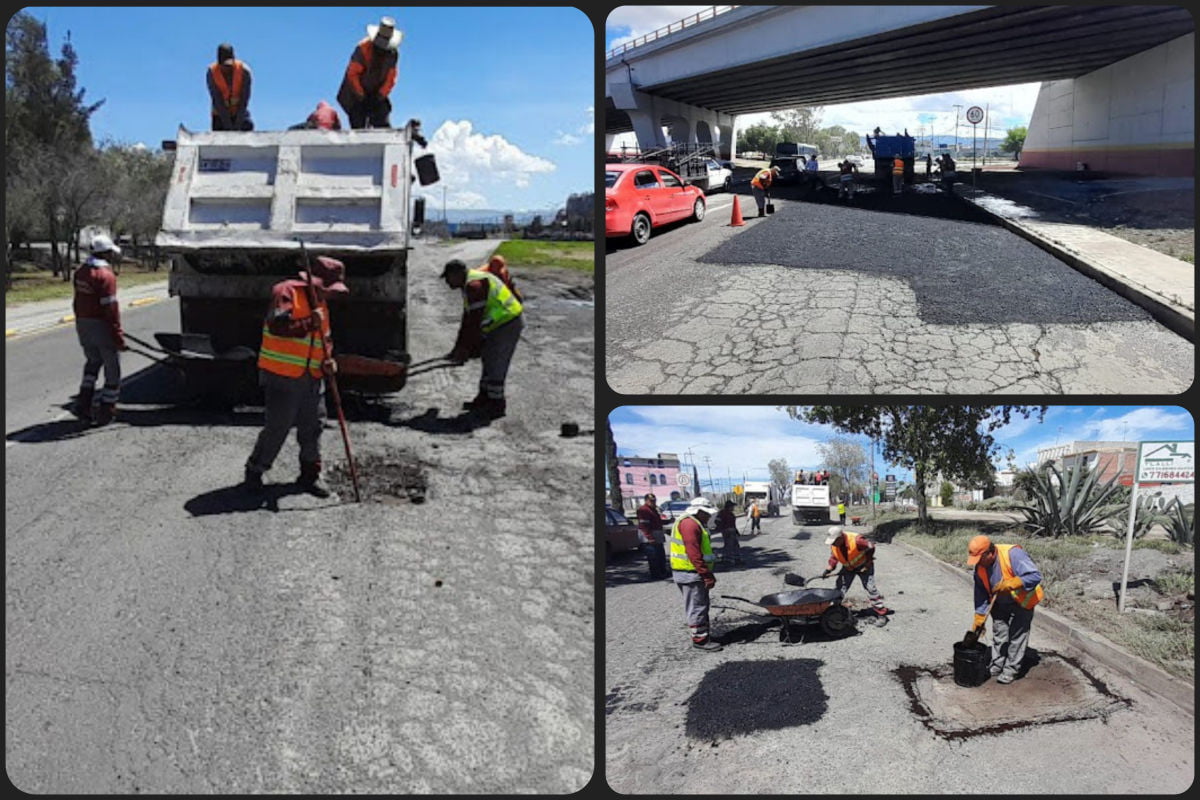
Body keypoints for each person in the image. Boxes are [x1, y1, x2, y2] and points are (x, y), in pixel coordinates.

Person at [243, 256, 349, 497]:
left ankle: (310, 476)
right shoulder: (286, 291)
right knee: (277, 427)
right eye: (327, 289)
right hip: (282, 376)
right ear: (313, 281)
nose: (330, 295)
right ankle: (255, 470)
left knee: (313, 427)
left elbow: (324, 338)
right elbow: (277, 326)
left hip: (313, 376)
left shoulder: (321, 304)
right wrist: (308, 324)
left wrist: (328, 361)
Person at [442, 259, 524, 419]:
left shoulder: (474, 286)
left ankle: (497, 405)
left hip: (508, 323)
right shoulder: (469, 284)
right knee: (488, 359)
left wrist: (465, 349)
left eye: (448, 278)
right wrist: (458, 348)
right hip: (498, 325)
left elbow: (473, 324)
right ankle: (484, 398)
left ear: (457, 274)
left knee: (496, 363)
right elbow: (467, 320)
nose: (446, 282)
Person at [967, 535, 1044, 684]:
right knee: (999, 633)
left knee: (1017, 636)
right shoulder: (980, 568)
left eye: (979, 559)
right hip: (1000, 603)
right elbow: (981, 594)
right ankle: (997, 664)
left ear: (989, 553)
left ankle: (1011, 669)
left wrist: (1012, 583)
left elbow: (1035, 576)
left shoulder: (1012, 554)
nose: (978, 564)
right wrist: (979, 618)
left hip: (1022, 601)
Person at [71, 235, 127, 426]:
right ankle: (106, 410)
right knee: (113, 370)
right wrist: (118, 336)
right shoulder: (106, 276)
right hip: (101, 325)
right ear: (105, 253)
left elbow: (77, 301)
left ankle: (83, 402)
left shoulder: (80, 272)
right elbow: (110, 310)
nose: (113, 256)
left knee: (93, 362)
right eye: (111, 252)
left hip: (83, 324)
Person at [669, 497, 721, 652]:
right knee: (697, 606)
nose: (708, 517)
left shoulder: (692, 522)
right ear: (699, 511)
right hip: (690, 573)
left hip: (691, 572)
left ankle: (704, 635)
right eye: (706, 514)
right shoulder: (690, 525)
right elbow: (693, 553)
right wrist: (706, 574)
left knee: (701, 605)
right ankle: (700, 640)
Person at [337, 16, 401, 129]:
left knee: (382, 118)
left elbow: (391, 78)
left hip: (376, 94)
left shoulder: (392, 55)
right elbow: (353, 74)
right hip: (354, 93)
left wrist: (379, 96)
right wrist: (361, 95)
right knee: (358, 120)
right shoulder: (363, 49)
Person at [822, 526, 890, 620]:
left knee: (870, 588)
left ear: (840, 537)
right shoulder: (835, 544)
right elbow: (834, 557)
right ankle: (834, 610)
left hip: (864, 566)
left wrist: (868, 562)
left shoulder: (857, 540)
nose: (833, 544)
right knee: (840, 587)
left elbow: (871, 546)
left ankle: (881, 613)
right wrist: (828, 569)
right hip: (848, 567)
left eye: (835, 541)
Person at [207, 43, 253, 131]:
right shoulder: (212, 73)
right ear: (219, 63)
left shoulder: (244, 71)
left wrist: (237, 125)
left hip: (240, 113)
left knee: (247, 126)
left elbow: (244, 99)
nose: (227, 69)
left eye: (229, 65)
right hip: (220, 115)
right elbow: (217, 100)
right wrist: (228, 126)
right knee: (220, 135)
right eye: (224, 66)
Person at [636, 493, 669, 580]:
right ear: (646, 500)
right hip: (649, 538)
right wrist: (649, 537)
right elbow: (644, 525)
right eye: (651, 501)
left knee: (661, 555)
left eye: (654, 500)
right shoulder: (643, 510)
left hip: (657, 537)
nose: (653, 502)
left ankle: (663, 572)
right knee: (653, 557)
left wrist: (667, 521)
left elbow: (657, 522)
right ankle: (656, 575)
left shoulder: (653, 510)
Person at [713, 500, 743, 565]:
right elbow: (717, 521)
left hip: (732, 531)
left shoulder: (731, 513)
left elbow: (733, 524)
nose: (733, 508)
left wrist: (736, 531)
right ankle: (729, 560)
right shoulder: (722, 513)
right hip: (727, 531)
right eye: (732, 506)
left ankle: (736, 559)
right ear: (729, 506)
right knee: (729, 545)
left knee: (735, 545)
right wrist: (723, 527)